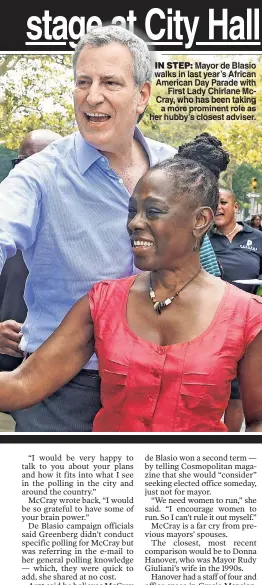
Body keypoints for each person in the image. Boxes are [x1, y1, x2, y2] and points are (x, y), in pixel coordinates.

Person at [0, 26, 220, 432]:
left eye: (110, 82)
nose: (92, 96)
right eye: (83, 81)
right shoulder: (38, 176)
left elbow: (207, 267)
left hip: (165, 380)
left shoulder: (175, 168)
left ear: (142, 95)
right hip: (64, 388)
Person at [0, 133, 262, 433]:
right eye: (132, 211)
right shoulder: (102, 302)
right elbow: (24, 384)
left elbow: (256, 420)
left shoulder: (247, 316)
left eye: (153, 211)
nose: (135, 223)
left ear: (200, 220)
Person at [0, 129, 61, 373]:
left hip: (55, 380)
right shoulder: (5, 225)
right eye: (22, 162)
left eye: (41, 163)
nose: (29, 172)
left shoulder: (80, 232)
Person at [209, 188, 262, 431]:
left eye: (223, 202)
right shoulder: (204, 239)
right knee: (208, 384)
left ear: (236, 206)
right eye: (213, 203)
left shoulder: (257, 238)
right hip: (209, 320)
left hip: (247, 324)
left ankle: (229, 443)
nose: (218, 207)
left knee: (238, 392)